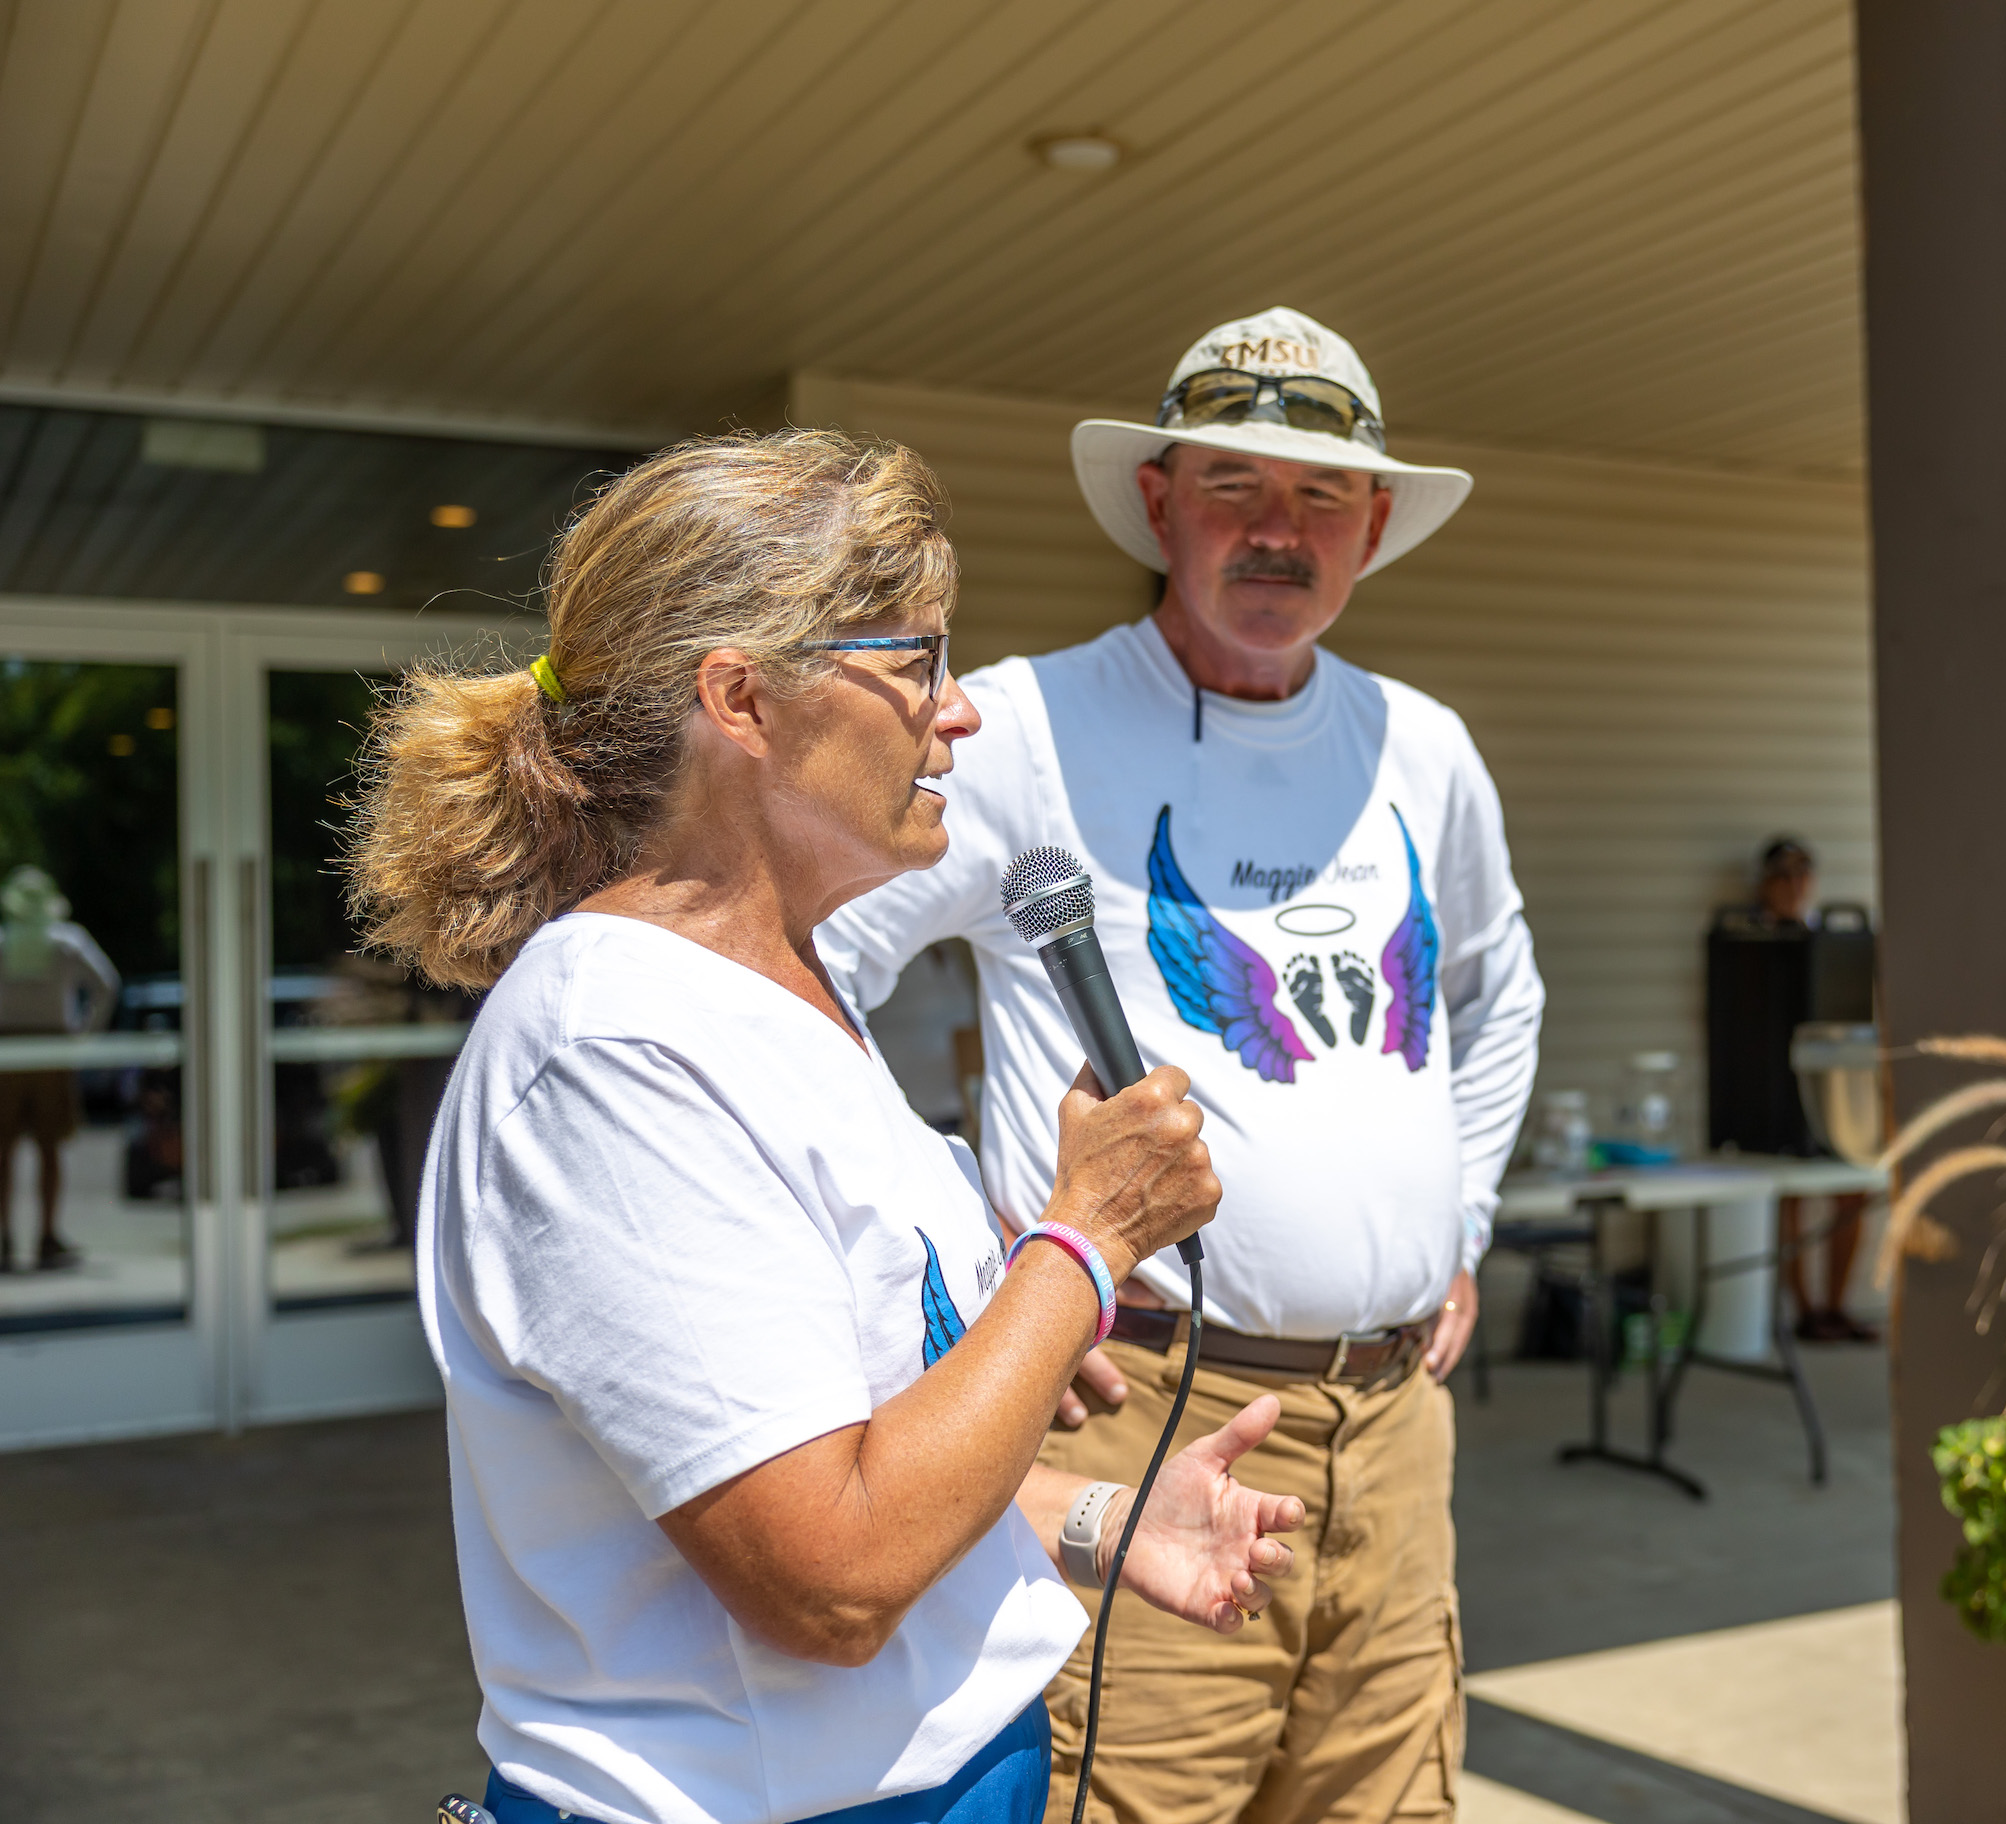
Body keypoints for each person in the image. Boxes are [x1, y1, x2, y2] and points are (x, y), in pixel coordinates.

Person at [345, 430, 1305, 1824]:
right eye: (918, 661)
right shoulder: (614, 1054)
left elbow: (833, 1455)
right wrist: (1083, 1246)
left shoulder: (784, 995)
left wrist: (1104, 1514)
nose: (959, 713)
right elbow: (830, 1576)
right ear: (741, 699)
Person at [818, 307, 1545, 1824]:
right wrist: (980, 1274)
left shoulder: (1422, 745)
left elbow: (1497, 994)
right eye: (1233, 486)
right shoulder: (1026, 727)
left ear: (1374, 527)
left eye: (1321, 495)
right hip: (1147, 1408)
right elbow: (814, 966)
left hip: (1398, 1424)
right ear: (1159, 505)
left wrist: (1464, 1223)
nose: (1279, 531)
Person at [1707, 840, 1875, 1343]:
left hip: (1830, 1089)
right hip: (1772, 1093)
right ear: (1765, 882)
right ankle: (1804, 1312)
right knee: (1792, 1198)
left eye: (1803, 874)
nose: (1794, 885)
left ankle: (1837, 1306)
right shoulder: (1746, 940)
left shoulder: (1834, 937)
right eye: (1783, 875)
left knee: (1853, 1191)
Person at [0, 864, 120, 1272]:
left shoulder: (4, 941)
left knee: (4, 1151)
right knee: (49, 1148)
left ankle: (6, 1238)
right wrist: (85, 1033)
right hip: (51, 1050)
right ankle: (47, 1237)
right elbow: (106, 984)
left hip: (9, 1054)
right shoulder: (67, 941)